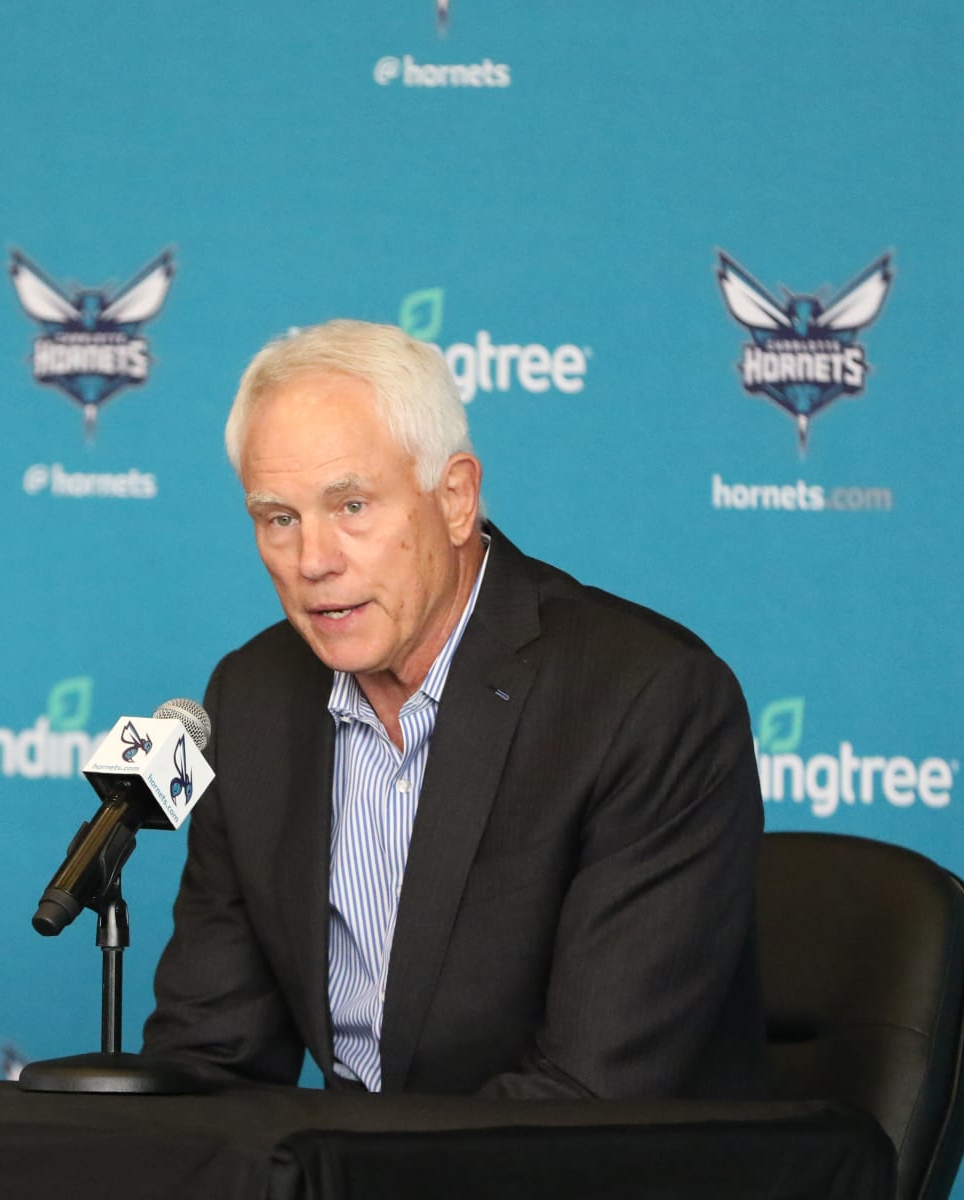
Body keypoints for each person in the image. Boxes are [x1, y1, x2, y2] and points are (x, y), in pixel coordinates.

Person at [142, 320, 766, 1098]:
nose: (313, 561)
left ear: (456, 498)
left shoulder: (645, 699)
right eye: (279, 519)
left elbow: (590, 1097)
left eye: (352, 505)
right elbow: (213, 1054)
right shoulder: (252, 697)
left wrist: (348, 1162)